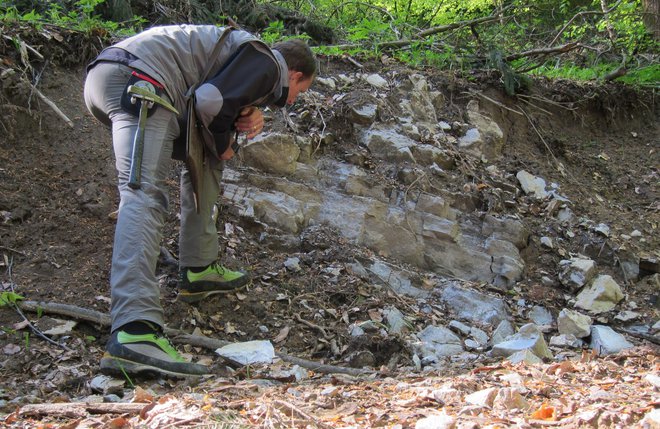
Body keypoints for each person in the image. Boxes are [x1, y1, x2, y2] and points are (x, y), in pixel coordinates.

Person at [83, 24, 316, 378]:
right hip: (140, 80)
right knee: (144, 193)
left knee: (207, 157)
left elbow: (210, 102)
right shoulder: (268, 62)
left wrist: (235, 125)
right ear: (294, 74)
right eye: (302, 89)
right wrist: (227, 141)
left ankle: (199, 266)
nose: (296, 97)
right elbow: (210, 101)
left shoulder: (249, 60)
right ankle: (135, 331)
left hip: (125, 77)